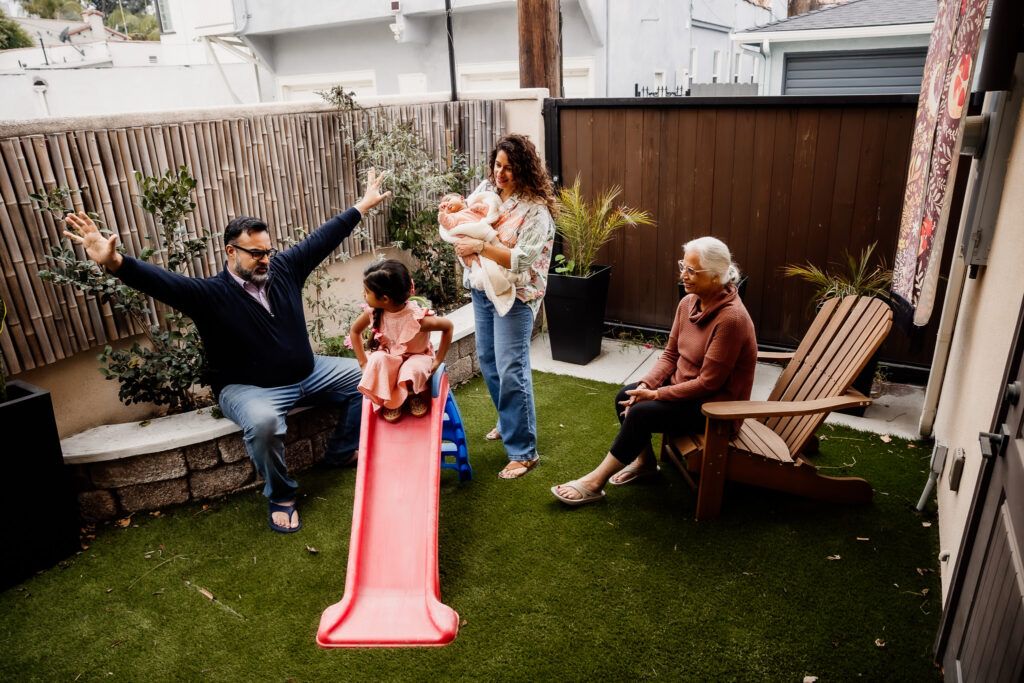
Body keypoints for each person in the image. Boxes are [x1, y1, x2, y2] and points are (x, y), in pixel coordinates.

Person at [62, 169, 392, 533]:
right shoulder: (208, 296)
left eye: (267, 251)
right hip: (248, 389)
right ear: (231, 251)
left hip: (309, 371)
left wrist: (361, 206)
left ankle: (342, 450)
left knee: (370, 373)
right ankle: (281, 495)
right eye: (255, 254)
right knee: (265, 424)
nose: (265, 259)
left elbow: (323, 238)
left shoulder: (284, 268)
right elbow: (160, 282)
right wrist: (115, 263)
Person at [552, 236, 757, 505]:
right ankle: (646, 463)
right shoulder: (688, 303)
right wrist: (647, 385)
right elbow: (671, 355)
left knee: (640, 412)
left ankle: (594, 482)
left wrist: (657, 396)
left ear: (717, 276)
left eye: (692, 271)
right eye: (683, 266)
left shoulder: (731, 319)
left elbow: (708, 384)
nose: (683, 275)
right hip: (685, 392)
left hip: (714, 407)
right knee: (626, 396)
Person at [452, 133, 556, 479]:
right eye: (498, 165)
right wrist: (455, 219)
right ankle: (508, 421)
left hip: (518, 294)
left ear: (524, 169)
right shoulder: (487, 191)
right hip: (483, 289)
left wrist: (477, 248)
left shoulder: (535, 211)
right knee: (489, 361)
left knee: (512, 368)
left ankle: (524, 451)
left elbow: (523, 260)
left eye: (509, 168)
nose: (501, 173)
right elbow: (467, 220)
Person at [349, 259, 453, 423]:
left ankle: (412, 395)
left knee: (411, 368)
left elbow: (448, 327)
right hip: (392, 357)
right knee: (377, 358)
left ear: (385, 299)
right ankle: (391, 399)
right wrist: (363, 363)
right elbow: (355, 331)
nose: (363, 294)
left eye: (367, 291)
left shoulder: (417, 319)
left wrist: (438, 359)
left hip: (417, 357)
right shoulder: (374, 312)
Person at [438, 190, 524, 317]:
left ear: (462, 198)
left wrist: (480, 207)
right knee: (474, 264)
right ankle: (481, 279)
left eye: (449, 200)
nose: (446, 204)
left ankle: (505, 277)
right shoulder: (454, 217)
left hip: (485, 236)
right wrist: (442, 212)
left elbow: (488, 213)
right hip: (467, 243)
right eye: (443, 203)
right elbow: (446, 223)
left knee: (497, 254)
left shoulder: (472, 208)